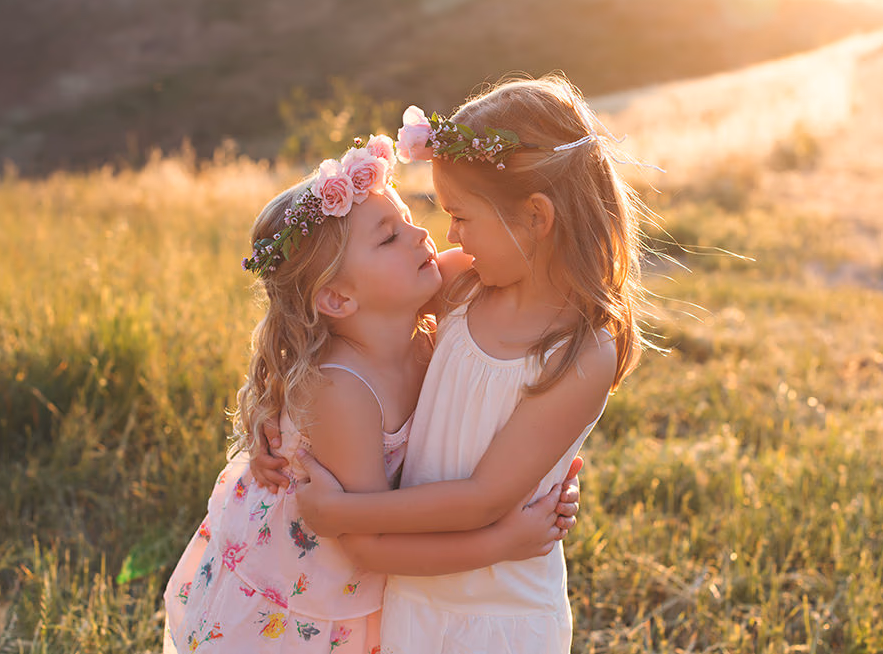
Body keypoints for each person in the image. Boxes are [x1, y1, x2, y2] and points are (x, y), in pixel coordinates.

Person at [162, 134, 582, 654]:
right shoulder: (343, 392)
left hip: (376, 578)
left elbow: (532, 278)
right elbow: (368, 546)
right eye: (388, 238)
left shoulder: (436, 297)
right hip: (308, 598)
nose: (420, 234)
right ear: (338, 298)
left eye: (407, 217)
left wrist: (544, 466)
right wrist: (503, 543)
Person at [284, 74, 649, 654]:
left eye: (461, 215)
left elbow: (483, 498)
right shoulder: (465, 282)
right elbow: (356, 300)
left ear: (536, 217)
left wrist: (347, 511)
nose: (447, 233)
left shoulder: (579, 354)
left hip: (501, 615)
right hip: (413, 592)